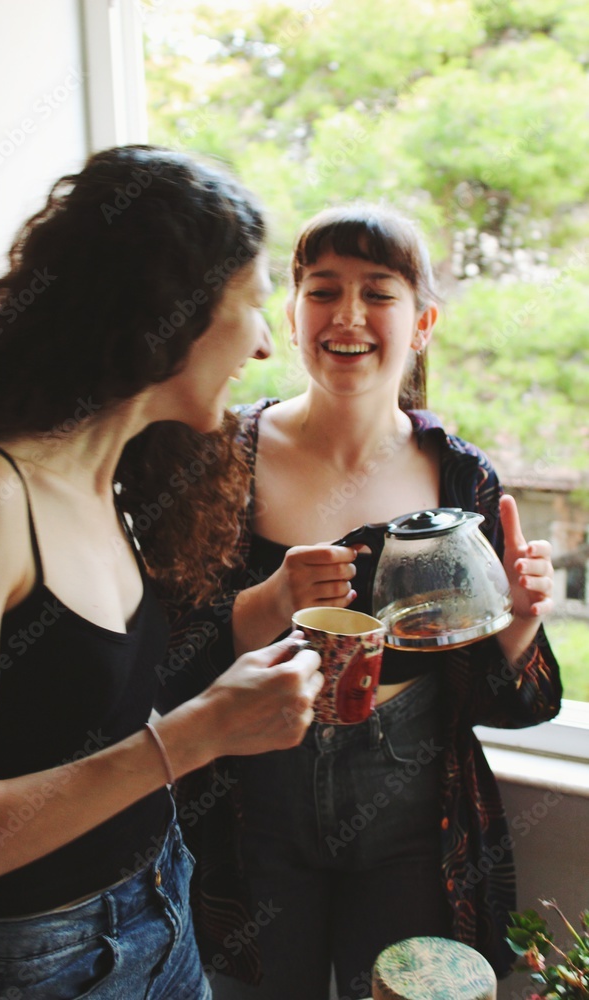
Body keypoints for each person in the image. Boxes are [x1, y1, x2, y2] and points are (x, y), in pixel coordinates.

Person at [0, 145, 325, 1000]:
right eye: (252, 306)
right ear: (168, 314)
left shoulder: (114, 477)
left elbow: (82, 708)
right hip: (40, 963)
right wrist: (198, 733)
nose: (263, 346)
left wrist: (260, 620)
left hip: (161, 902)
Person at [156, 204, 562, 1000]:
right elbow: (154, 668)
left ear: (421, 323)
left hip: (411, 816)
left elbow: (512, 706)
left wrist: (518, 619)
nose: (347, 316)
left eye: (378, 292)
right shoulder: (217, 457)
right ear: (290, 311)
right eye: (322, 289)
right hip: (251, 810)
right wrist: (267, 603)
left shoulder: (460, 481)